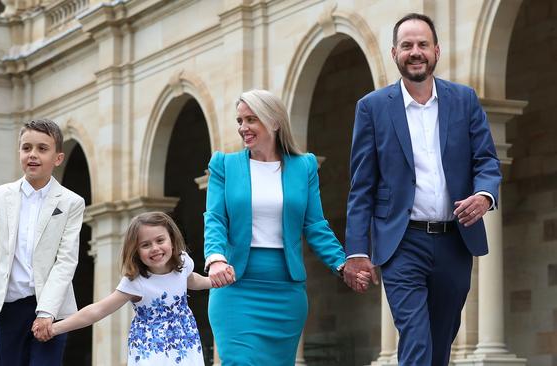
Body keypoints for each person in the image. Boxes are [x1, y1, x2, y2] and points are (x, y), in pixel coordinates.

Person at [343, 13, 502, 365]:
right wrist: (356, 251)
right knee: (416, 341)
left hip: (454, 242)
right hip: (402, 243)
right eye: (407, 45)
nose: (415, 52)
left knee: (440, 343)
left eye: (422, 45)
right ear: (394, 53)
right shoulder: (372, 108)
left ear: (436, 51)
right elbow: (362, 185)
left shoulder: (464, 99)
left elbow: (487, 161)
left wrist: (484, 195)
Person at [204, 89, 359, 365]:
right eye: (240, 121)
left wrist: (341, 263)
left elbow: (314, 224)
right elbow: (215, 218)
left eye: (251, 119)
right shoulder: (224, 165)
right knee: (239, 361)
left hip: (285, 290)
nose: (243, 128)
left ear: (274, 122)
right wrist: (215, 258)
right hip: (235, 285)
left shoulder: (304, 166)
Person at [33, 211, 223, 366]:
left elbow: (191, 281)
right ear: (135, 251)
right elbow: (97, 310)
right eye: (145, 245)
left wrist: (213, 281)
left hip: (185, 340)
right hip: (150, 347)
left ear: (172, 241)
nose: (155, 248)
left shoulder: (182, 262)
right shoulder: (135, 282)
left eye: (160, 240)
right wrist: (55, 328)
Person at [0, 119, 85, 365]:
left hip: (52, 308)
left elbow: (65, 261)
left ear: (58, 158)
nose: (33, 155)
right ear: (19, 151)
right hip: (9, 308)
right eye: (26, 148)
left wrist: (46, 313)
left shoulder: (72, 202)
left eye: (42, 149)